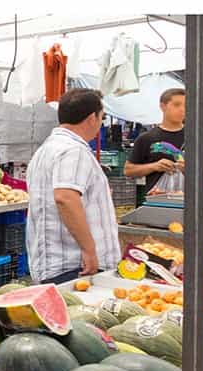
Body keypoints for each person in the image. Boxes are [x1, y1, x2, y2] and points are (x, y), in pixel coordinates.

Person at [24, 88, 120, 284]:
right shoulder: (73, 150)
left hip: (60, 264)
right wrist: (89, 249)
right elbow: (65, 198)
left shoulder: (47, 149)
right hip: (74, 265)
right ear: (92, 117)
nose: (100, 123)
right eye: (102, 117)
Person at [124, 88, 186, 197]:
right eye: (176, 105)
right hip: (158, 203)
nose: (182, 109)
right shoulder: (146, 138)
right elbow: (128, 170)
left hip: (192, 204)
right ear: (163, 106)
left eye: (185, 105)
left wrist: (191, 168)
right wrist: (154, 166)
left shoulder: (197, 136)